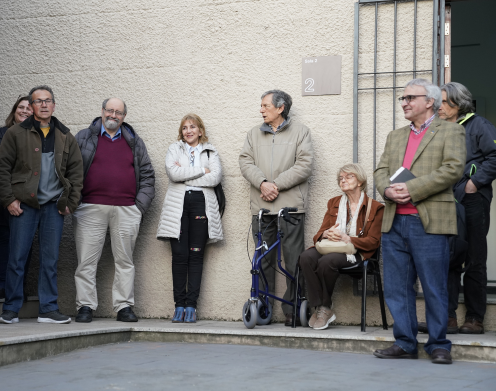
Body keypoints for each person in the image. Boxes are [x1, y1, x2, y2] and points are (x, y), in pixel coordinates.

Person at [373, 79, 465, 364]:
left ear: (430, 101)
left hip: (429, 221)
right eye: (403, 98)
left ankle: (439, 344)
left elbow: (453, 169)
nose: (404, 102)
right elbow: (381, 171)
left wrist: (412, 189)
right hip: (394, 222)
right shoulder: (395, 136)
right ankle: (405, 342)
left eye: (410, 97)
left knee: (434, 285)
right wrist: (387, 190)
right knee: (398, 287)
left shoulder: (452, 131)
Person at [0, 85, 84, 324]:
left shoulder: (65, 136)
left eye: (48, 100)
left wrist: (70, 203)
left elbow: (76, 172)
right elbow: (1, 169)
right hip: (23, 205)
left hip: (54, 206)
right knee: (17, 258)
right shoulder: (15, 133)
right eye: (38, 101)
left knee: (50, 260)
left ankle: (48, 309)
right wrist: (9, 200)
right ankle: (11, 309)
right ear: (31, 106)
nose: (43, 105)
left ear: (54, 105)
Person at [73, 97, 155, 323]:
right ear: (101, 111)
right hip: (90, 207)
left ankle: (124, 307)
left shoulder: (134, 141)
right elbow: (69, 171)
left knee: (125, 261)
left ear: (124, 116)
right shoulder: (83, 137)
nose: (113, 115)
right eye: (110, 111)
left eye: (118, 112)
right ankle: (86, 306)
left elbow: (147, 174)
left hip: (127, 209)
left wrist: (138, 207)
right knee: (86, 261)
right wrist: (75, 202)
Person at [238, 89, 314, 326]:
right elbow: (244, 161)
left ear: (280, 108)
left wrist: (275, 185)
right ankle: (263, 307)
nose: (261, 109)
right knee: (263, 261)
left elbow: (305, 165)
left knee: (293, 260)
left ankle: (292, 307)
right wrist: (262, 183)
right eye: (261, 106)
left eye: (265, 106)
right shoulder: (253, 134)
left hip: (290, 209)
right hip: (261, 208)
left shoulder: (301, 132)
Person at [437, 82, 496, 335]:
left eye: (442, 102)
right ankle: (447, 317)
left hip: (472, 199)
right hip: (445, 201)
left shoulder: (478, 125)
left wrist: (475, 182)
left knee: (474, 258)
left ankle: (474, 318)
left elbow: (495, 156)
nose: (437, 107)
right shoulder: (438, 129)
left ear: (457, 104)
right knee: (448, 256)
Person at [299, 164, 384, 330]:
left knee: (327, 261)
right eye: (340, 178)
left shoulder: (375, 208)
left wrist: (348, 239)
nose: (343, 180)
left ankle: (323, 309)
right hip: (333, 247)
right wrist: (326, 234)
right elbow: (319, 233)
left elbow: (374, 241)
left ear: (360, 181)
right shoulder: (334, 203)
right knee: (305, 257)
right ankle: (323, 306)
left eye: (348, 177)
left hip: (357, 253)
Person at [157, 114, 223, 323]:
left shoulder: (210, 151)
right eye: (184, 128)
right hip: (178, 206)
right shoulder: (174, 149)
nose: (188, 131)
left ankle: (191, 307)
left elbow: (215, 177)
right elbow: (173, 173)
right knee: (179, 255)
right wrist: (201, 170)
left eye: (192, 127)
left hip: (201, 204)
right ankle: (179, 305)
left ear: (200, 131)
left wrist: (185, 173)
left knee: (196, 255)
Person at [0, 95, 33, 299]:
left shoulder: (39, 135)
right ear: (14, 110)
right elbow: (0, 160)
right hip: (5, 196)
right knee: (5, 240)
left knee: (26, 243)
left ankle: (18, 285)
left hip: (30, 198)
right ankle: (1, 284)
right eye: (21, 107)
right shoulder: (0, 134)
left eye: (29, 108)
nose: (24, 111)